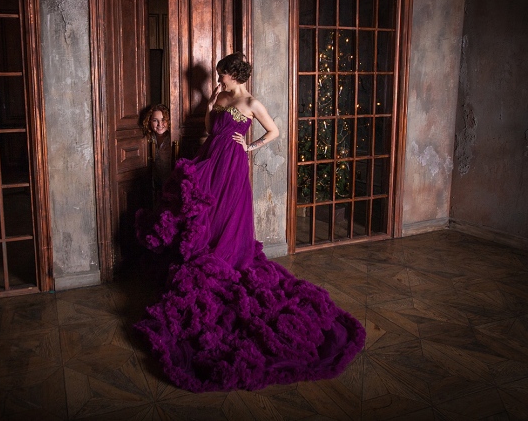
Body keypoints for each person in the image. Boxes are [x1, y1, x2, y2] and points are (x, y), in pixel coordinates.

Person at [134, 52, 365, 392]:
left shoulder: (252, 102)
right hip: (210, 160)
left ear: (234, 74)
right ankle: (207, 254)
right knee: (206, 214)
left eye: (222, 75)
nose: (219, 79)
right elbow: (210, 129)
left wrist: (250, 147)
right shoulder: (220, 96)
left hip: (232, 166)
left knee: (229, 216)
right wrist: (210, 103)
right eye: (217, 75)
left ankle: (226, 259)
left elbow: (274, 131)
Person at [141, 104, 173, 207]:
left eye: (163, 120)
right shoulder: (149, 138)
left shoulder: (173, 138)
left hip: (171, 184)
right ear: (150, 122)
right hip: (155, 185)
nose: (160, 124)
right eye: (155, 120)